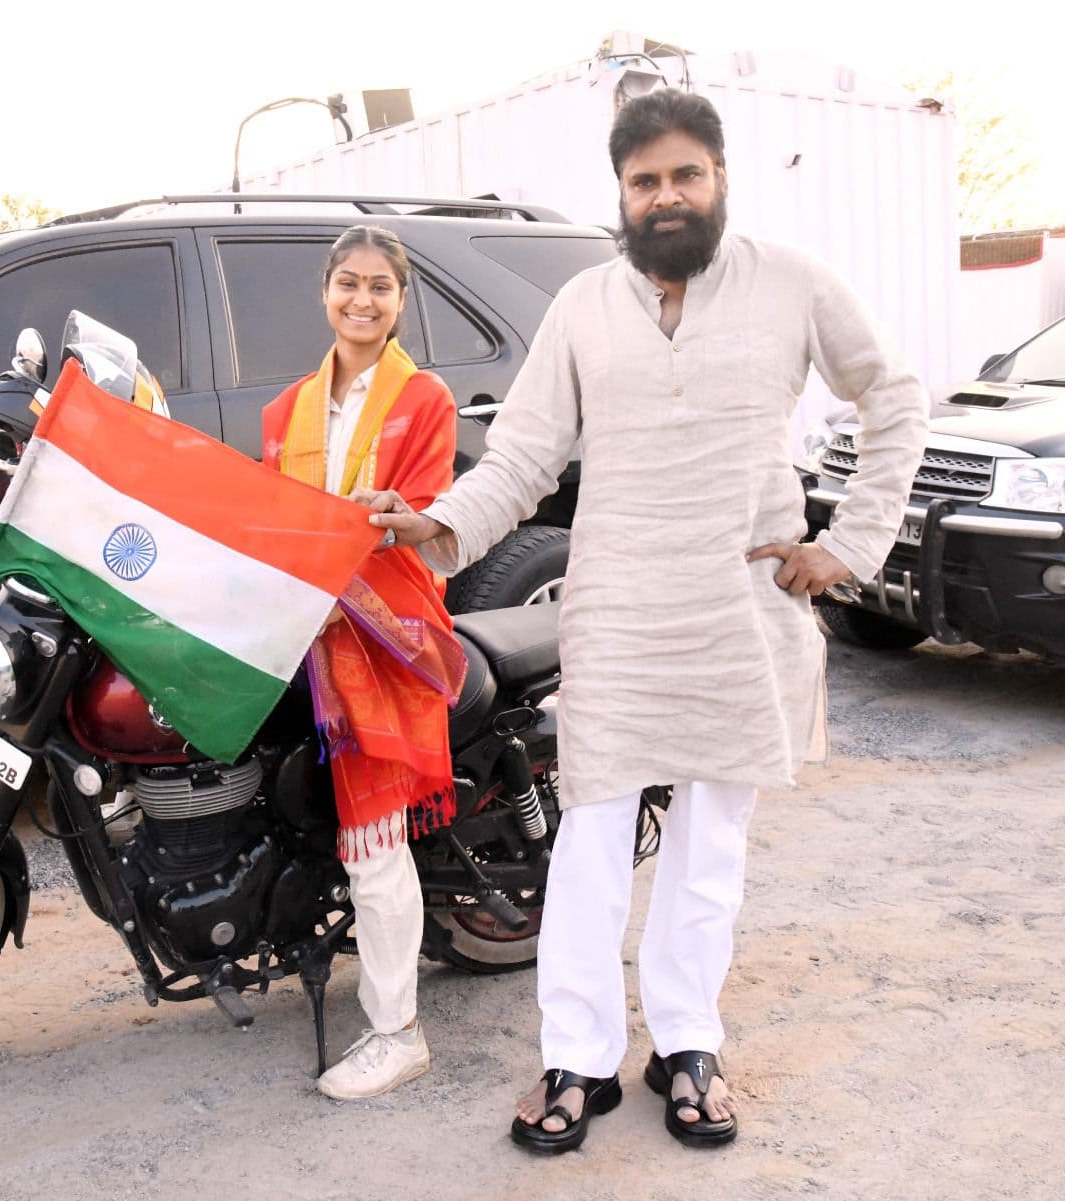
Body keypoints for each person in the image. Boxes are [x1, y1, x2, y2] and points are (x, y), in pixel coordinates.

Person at [355, 90, 928, 1150]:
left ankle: (687, 1039)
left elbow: (893, 400)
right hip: (616, 608)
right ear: (620, 193)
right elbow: (523, 459)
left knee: (709, 842)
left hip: (739, 609)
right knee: (591, 841)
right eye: (643, 181)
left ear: (718, 177)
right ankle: (576, 1054)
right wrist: (430, 527)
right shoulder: (582, 305)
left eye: (684, 176)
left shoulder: (793, 284)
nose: (665, 197)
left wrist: (848, 547)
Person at [261, 225, 463, 1101]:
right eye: (349, 283)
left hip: (379, 635)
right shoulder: (284, 411)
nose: (363, 300)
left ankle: (398, 1030)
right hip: (298, 626)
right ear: (325, 292)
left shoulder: (425, 401)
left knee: (373, 841)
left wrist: (374, 522)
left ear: (400, 300)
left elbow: (422, 517)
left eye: (381, 287)